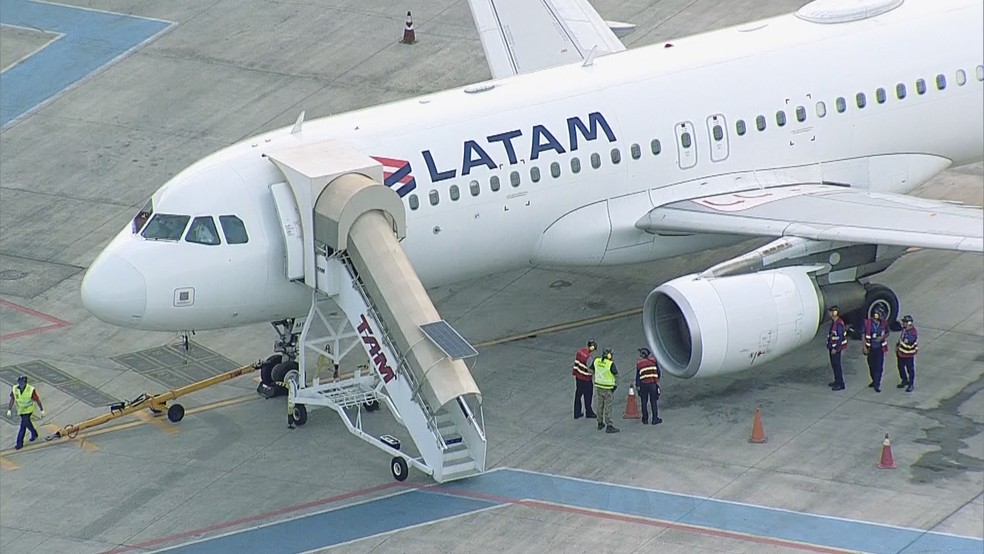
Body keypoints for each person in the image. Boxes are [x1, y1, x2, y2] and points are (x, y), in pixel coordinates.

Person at [6, 375, 44, 450]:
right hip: (21, 410)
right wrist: (9, 409)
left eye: (21, 382)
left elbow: (37, 400)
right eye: (19, 382)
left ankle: (19, 443)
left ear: (25, 383)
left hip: (28, 409)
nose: (20, 383)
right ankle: (34, 433)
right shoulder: (15, 389)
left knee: (22, 426)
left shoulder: (30, 390)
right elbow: (12, 399)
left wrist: (41, 410)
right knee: (27, 423)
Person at [592, 348, 619, 433]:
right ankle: (609, 425)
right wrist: (614, 387)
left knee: (600, 405)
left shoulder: (596, 361)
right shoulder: (610, 364)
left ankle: (600, 423)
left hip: (599, 387)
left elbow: (590, 370)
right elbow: (617, 376)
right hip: (608, 388)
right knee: (608, 407)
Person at [863, 308, 889, 392]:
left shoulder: (884, 323)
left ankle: (877, 384)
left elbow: (887, 332)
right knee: (871, 366)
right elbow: (863, 334)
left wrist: (882, 337)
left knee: (878, 367)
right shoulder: (868, 323)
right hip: (870, 349)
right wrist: (864, 347)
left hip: (879, 349)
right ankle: (874, 380)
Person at [635, 348, 661, 425]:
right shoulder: (653, 361)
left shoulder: (639, 364)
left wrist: (638, 386)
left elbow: (637, 376)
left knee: (644, 402)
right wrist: (656, 381)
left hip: (643, 385)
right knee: (653, 401)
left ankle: (645, 419)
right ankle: (655, 419)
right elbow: (658, 372)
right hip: (652, 384)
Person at [572, 340, 597, 419]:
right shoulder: (588, 358)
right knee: (588, 396)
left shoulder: (580, 351)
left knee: (578, 395)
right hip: (586, 379)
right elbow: (590, 370)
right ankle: (589, 412)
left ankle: (577, 412)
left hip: (578, 377)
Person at [826, 306, 848, 391]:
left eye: (830, 312)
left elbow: (840, 337)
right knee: (834, 365)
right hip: (832, 347)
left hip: (836, 349)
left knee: (837, 365)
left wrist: (836, 348)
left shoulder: (838, 324)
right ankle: (836, 381)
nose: (829, 313)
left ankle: (840, 383)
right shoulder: (834, 322)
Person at [896, 314, 918, 392]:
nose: (903, 323)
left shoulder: (913, 332)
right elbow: (901, 339)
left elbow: (909, 341)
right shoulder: (904, 330)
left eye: (905, 322)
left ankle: (911, 384)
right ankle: (904, 380)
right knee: (901, 368)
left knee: (910, 369)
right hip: (901, 354)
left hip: (908, 355)